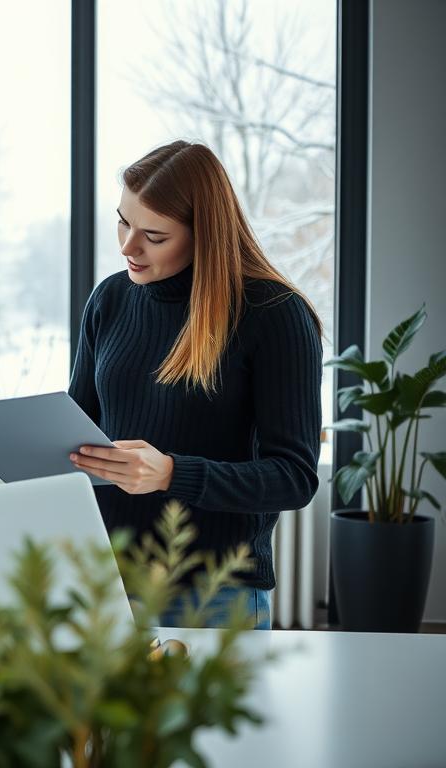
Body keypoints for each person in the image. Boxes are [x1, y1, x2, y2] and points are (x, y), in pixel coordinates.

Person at [68, 140, 322, 629]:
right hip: (108, 586)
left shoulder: (273, 314)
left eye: (154, 236)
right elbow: (80, 431)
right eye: (123, 221)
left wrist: (169, 473)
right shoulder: (110, 300)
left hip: (213, 594)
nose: (127, 246)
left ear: (204, 234)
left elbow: (295, 477)